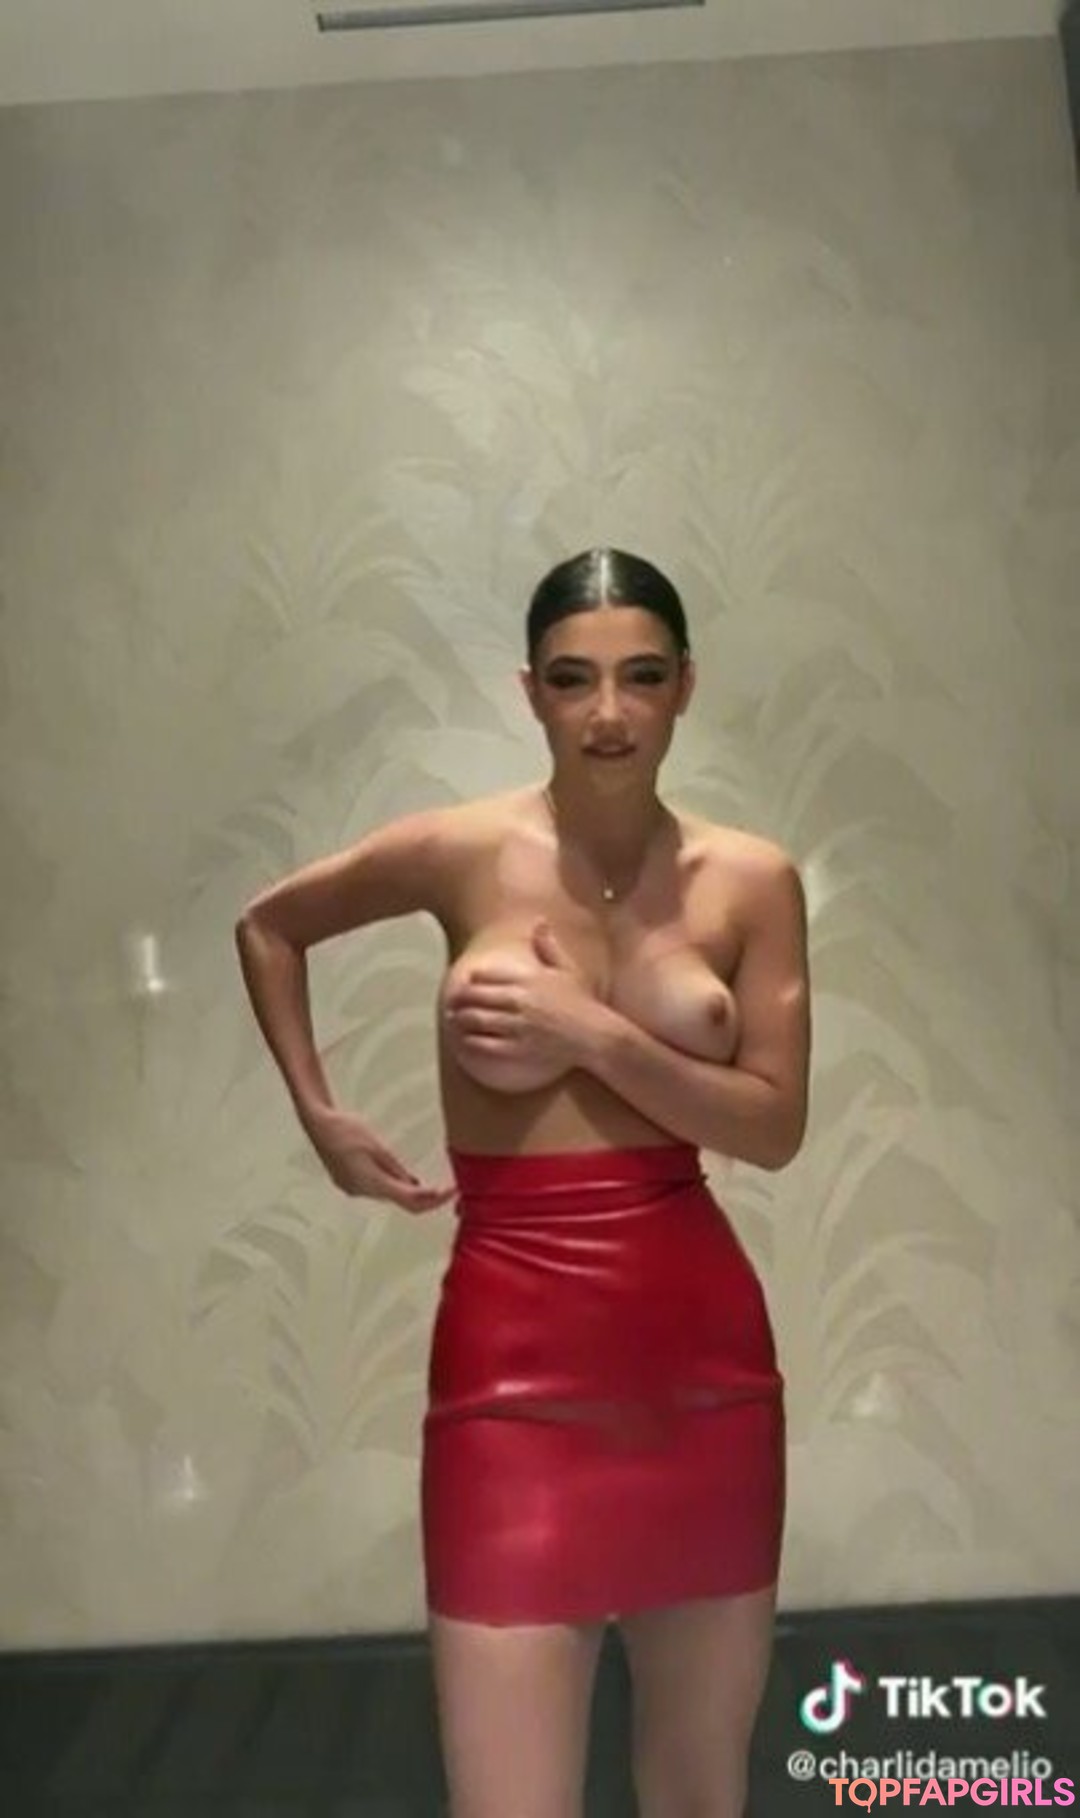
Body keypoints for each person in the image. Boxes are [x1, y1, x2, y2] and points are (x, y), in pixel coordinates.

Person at [234, 547, 811, 1818]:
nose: (608, 713)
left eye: (641, 677)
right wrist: (322, 1116)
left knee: (701, 1793)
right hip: (510, 1369)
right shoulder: (463, 850)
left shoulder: (752, 879)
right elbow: (269, 925)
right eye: (573, 679)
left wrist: (590, 1034)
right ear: (530, 692)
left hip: (704, 1366)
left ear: (685, 686)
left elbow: (774, 1129)